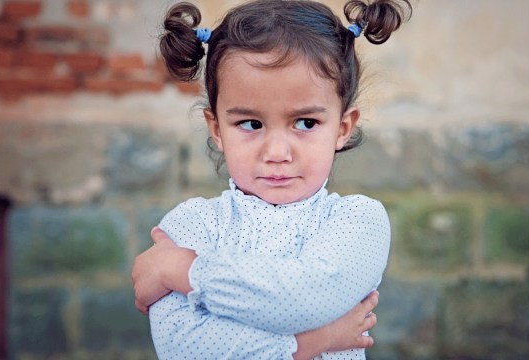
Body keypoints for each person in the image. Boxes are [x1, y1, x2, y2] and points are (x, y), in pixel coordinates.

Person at [132, 0, 412, 359]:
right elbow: (183, 348)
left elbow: (305, 298)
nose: (277, 151)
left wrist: (184, 270)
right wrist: (313, 343)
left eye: (306, 123)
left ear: (342, 128)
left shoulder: (358, 222)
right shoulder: (190, 225)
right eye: (250, 124)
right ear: (217, 129)